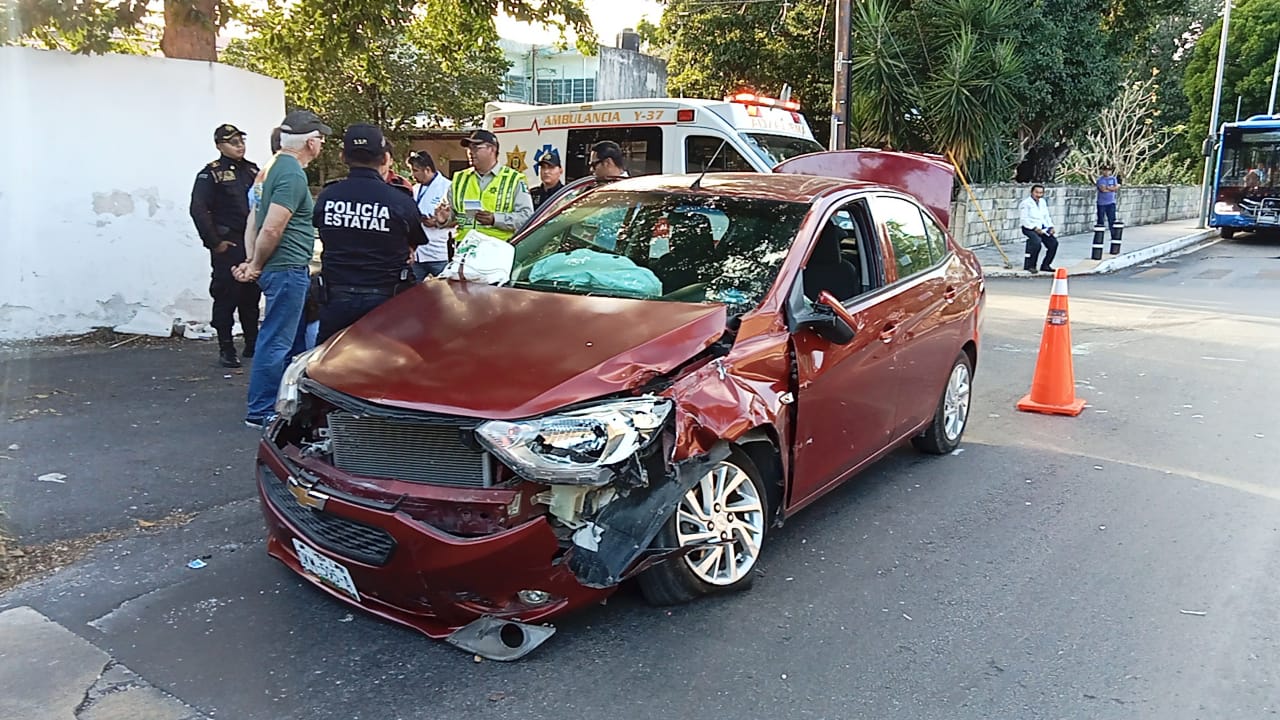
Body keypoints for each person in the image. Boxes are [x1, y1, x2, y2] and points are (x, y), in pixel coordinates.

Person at [234, 109, 332, 429]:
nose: (322, 144)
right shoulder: (291, 173)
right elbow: (273, 228)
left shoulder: (269, 169)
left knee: (288, 342)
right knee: (277, 341)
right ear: (309, 142)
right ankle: (261, 410)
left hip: (279, 267)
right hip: (287, 267)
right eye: (319, 138)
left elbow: (254, 221)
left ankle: (289, 401)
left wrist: (252, 263)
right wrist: (257, 264)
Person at [312, 124, 427, 342]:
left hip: (337, 298)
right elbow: (415, 240)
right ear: (385, 158)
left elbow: (320, 227)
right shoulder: (399, 200)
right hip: (386, 301)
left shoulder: (328, 196)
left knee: (328, 364)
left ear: (342, 156)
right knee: (384, 365)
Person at [190, 123, 261, 368]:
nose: (240, 146)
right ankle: (226, 347)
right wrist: (215, 243)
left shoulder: (253, 170)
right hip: (228, 244)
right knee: (226, 296)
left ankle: (252, 343)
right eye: (233, 142)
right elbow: (198, 209)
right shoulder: (211, 174)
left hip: (251, 243)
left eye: (242, 141)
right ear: (220, 146)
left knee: (251, 296)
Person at [433, 129, 533, 242]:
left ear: (492, 149)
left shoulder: (514, 179)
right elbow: (452, 214)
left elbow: (526, 217)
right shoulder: (459, 178)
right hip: (464, 250)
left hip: (497, 249)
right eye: (469, 148)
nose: (470, 152)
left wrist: (495, 219)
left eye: (476, 147)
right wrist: (444, 218)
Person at [408, 150, 452, 281]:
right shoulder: (415, 189)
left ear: (427, 170)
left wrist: (438, 222)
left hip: (439, 253)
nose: (412, 174)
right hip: (418, 253)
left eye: (415, 170)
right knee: (410, 292)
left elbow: (460, 218)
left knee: (447, 294)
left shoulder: (448, 187)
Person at [1017, 184, 1058, 274]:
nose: (1038, 195)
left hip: (1042, 228)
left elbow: (1046, 216)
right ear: (1032, 192)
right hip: (1029, 228)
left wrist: (1051, 227)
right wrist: (1034, 228)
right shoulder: (1026, 203)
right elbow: (1024, 219)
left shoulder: (1042, 202)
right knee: (1036, 243)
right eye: (1037, 192)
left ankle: (1046, 265)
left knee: (1053, 243)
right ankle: (1031, 265)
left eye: (1041, 193)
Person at [1095, 163, 1120, 232]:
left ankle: (1113, 237)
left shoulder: (1113, 179)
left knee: (1112, 220)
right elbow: (1102, 189)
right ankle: (1099, 238)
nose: (1107, 172)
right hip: (1102, 203)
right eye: (1105, 170)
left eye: (1108, 170)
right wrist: (1111, 188)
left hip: (1111, 202)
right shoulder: (1100, 180)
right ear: (1102, 171)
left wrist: (1108, 188)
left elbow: (1116, 188)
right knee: (1100, 221)